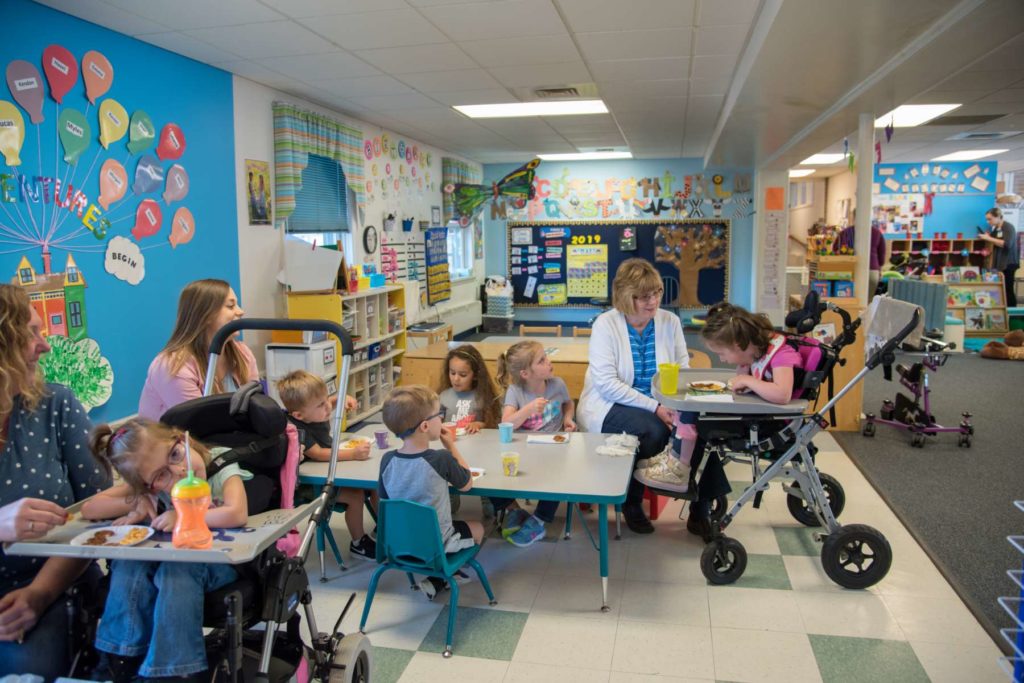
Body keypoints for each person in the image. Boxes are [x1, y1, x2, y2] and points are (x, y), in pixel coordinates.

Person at [82, 419, 249, 682]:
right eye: (161, 475)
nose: (180, 471)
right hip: (166, 560)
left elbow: (237, 513)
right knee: (130, 563)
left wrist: (182, 515)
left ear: (181, 439)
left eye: (175, 454)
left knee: (176, 569)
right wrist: (137, 500)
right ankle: (119, 659)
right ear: (150, 485)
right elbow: (89, 509)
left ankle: (174, 670)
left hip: (220, 563)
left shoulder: (221, 465)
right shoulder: (153, 486)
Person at [0, 284, 110, 679]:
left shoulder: (55, 405)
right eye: (30, 333)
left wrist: (40, 593)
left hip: (50, 587)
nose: (44, 346)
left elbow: (105, 510)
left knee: (24, 670)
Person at [577, 259, 689, 534]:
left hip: (661, 403)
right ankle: (631, 500)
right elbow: (606, 385)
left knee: (698, 431)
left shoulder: (669, 321)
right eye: (642, 297)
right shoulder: (606, 324)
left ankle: (702, 507)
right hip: (610, 405)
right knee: (652, 431)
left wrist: (676, 407)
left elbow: (683, 366)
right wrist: (656, 408)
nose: (652, 302)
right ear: (626, 297)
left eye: (657, 293)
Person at [684, 303, 808, 541]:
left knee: (702, 426)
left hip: (774, 426)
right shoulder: (759, 351)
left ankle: (685, 475)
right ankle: (693, 484)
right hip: (758, 417)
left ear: (740, 345)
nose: (721, 358)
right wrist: (745, 369)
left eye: (722, 353)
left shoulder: (782, 353)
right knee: (699, 419)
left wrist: (748, 381)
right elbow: (752, 373)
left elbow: (782, 393)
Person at [379, 386, 482, 600]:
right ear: (425, 426)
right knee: (479, 528)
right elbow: (467, 484)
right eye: (439, 415)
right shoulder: (440, 458)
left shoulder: (387, 460)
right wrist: (451, 446)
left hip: (399, 543)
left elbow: (387, 502)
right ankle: (444, 574)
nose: (442, 419)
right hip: (436, 544)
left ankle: (437, 576)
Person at [276, 370, 376, 560]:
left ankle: (383, 529)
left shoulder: (312, 412)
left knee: (373, 486)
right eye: (321, 404)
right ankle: (358, 544)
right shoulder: (296, 429)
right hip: (306, 484)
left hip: (327, 472)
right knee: (355, 496)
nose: (327, 407)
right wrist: (353, 454)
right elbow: (318, 454)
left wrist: (342, 398)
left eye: (325, 400)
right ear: (298, 415)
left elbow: (329, 402)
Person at [486, 341, 575, 547]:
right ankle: (513, 509)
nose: (549, 362)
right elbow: (506, 423)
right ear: (525, 373)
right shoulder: (515, 391)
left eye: (546, 357)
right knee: (488, 473)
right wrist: (527, 409)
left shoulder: (557, 384)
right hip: (522, 451)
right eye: (542, 360)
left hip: (553, 450)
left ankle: (540, 520)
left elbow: (568, 402)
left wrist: (569, 418)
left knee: (557, 478)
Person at [138, 279, 257, 421]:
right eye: (231, 306)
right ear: (206, 315)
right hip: (180, 440)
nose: (241, 311)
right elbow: (201, 423)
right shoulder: (173, 367)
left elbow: (256, 405)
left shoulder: (242, 353)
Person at [437, 344, 502, 434]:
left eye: (463, 375)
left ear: (475, 375)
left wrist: (478, 425)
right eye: (452, 373)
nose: (456, 379)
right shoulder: (443, 396)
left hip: (475, 443)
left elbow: (492, 425)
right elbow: (435, 422)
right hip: (450, 442)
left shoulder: (483, 397)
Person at [834, 219, 886, 297]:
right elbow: (882, 256)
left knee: (851, 301)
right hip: (872, 271)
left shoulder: (845, 233)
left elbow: (835, 250)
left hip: (850, 271)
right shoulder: (877, 233)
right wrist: (879, 268)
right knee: (868, 302)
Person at [979, 207, 1018, 306]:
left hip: (1008, 263)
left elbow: (1007, 244)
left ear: (998, 217)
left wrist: (989, 238)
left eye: (990, 219)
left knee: (1008, 289)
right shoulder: (996, 229)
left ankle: (1013, 315)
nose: (988, 222)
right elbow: (994, 241)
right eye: (987, 219)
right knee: (1000, 288)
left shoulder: (1008, 227)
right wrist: (989, 236)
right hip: (1000, 263)